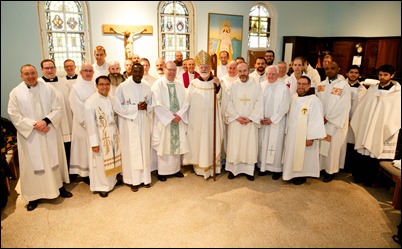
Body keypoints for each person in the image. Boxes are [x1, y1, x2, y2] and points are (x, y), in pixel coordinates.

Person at [8, 64, 72, 211]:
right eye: (26, 74)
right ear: (21, 76)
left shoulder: (48, 88)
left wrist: (46, 121)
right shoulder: (15, 93)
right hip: (30, 136)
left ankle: (59, 188)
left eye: (32, 73)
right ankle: (33, 196)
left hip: (49, 130)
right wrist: (34, 124)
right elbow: (14, 114)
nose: (30, 76)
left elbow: (58, 107)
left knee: (54, 160)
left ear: (37, 73)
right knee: (32, 165)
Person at [351, 64, 401, 186]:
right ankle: (360, 176)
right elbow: (362, 108)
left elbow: (396, 113)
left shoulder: (397, 94)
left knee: (377, 154)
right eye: (380, 75)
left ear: (392, 75)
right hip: (368, 126)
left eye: (385, 75)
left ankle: (372, 180)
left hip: (383, 128)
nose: (382, 77)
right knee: (364, 153)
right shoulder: (372, 90)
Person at [182, 50, 223, 179]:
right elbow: (187, 102)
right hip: (197, 120)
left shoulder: (216, 82)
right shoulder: (193, 84)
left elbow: (222, 99)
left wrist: (219, 87)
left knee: (211, 140)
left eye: (206, 67)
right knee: (198, 141)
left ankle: (212, 167)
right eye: (201, 67)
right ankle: (199, 167)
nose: (204, 69)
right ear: (198, 68)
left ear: (210, 67)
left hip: (212, 120)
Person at [113, 63, 152, 192]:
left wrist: (147, 107)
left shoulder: (147, 86)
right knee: (131, 151)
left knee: (144, 150)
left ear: (143, 72)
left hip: (143, 123)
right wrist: (135, 108)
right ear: (130, 72)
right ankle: (132, 180)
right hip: (129, 124)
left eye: (140, 72)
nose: (137, 74)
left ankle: (145, 178)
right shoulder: (123, 87)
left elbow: (152, 103)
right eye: (135, 71)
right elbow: (117, 106)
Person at [282, 76, 326, 185]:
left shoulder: (314, 100)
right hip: (292, 134)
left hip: (305, 136)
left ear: (309, 86)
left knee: (304, 157)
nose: (301, 86)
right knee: (292, 154)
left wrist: (311, 137)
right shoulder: (293, 97)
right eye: (299, 84)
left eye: (304, 84)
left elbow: (316, 120)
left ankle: (301, 176)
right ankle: (290, 174)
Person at [84, 76, 122, 198]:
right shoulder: (91, 101)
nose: (105, 87)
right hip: (100, 136)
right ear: (97, 86)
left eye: (107, 84)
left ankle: (112, 181)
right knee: (100, 163)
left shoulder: (112, 98)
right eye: (101, 84)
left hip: (112, 133)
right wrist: (94, 143)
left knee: (113, 159)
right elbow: (89, 124)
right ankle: (101, 186)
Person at [151, 61, 189, 181]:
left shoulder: (179, 84)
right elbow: (157, 103)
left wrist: (179, 115)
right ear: (164, 69)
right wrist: (170, 117)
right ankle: (162, 172)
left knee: (176, 145)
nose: (172, 72)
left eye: (174, 70)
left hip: (177, 119)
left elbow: (186, 102)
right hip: (164, 121)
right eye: (169, 69)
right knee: (164, 144)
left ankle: (176, 169)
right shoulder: (157, 85)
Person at [225, 62, 263, 181]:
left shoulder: (256, 86)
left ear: (248, 70)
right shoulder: (233, 86)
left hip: (250, 122)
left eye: (245, 71)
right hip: (236, 122)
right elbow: (228, 103)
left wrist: (251, 118)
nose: (242, 74)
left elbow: (259, 102)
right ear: (237, 72)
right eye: (240, 71)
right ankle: (233, 170)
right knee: (235, 146)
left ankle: (248, 171)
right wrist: (236, 117)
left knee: (249, 146)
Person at [316, 61, 351, 182]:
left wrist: (328, 117)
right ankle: (320, 168)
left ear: (338, 69)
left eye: (332, 68)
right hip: (321, 121)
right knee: (321, 146)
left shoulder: (344, 86)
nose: (329, 71)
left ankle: (330, 171)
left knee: (332, 148)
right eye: (327, 69)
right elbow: (316, 102)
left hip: (334, 123)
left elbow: (344, 106)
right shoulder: (320, 85)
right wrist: (319, 116)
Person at [38, 59, 73, 177]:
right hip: (51, 124)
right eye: (46, 68)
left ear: (55, 68)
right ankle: (56, 176)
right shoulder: (38, 84)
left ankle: (68, 173)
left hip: (66, 120)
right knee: (54, 150)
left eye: (52, 67)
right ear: (42, 70)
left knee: (68, 147)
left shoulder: (64, 82)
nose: (49, 70)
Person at [257, 65, 291, 180]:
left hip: (277, 122)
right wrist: (260, 117)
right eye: (268, 74)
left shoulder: (284, 88)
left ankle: (276, 169)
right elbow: (256, 103)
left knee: (276, 145)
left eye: (273, 74)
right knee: (262, 143)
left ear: (277, 75)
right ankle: (263, 167)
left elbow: (285, 106)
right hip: (263, 122)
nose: (270, 76)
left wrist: (273, 119)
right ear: (265, 75)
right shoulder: (260, 86)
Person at [69, 63, 97, 184]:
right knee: (83, 149)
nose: (88, 73)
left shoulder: (96, 85)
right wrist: (88, 123)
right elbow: (76, 107)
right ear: (80, 73)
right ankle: (85, 174)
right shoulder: (76, 87)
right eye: (85, 70)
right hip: (83, 125)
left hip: (96, 123)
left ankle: (95, 172)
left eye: (90, 71)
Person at [344, 65, 367, 174]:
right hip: (342, 119)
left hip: (355, 120)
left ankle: (349, 166)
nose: (353, 74)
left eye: (356, 72)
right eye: (351, 72)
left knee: (351, 143)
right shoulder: (342, 86)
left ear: (359, 75)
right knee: (340, 142)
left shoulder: (363, 90)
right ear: (347, 73)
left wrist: (354, 118)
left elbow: (363, 106)